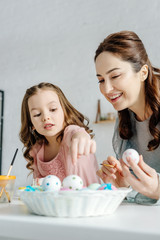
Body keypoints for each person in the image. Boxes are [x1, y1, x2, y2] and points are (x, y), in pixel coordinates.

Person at [94, 30, 160, 204]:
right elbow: (141, 193)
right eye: (101, 80)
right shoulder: (125, 118)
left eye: (115, 76)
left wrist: (157, 189)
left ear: (143, 73)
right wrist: (123, 185)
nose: (106, 89)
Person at [19, 82, 100, 186]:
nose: (46, 117)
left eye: (53, 109)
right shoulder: (36, 151)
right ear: (31, 124)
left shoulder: (70, 135)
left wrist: (81, 137)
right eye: (37, 114)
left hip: (88, 199)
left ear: (65, 111)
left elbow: (76, 133)